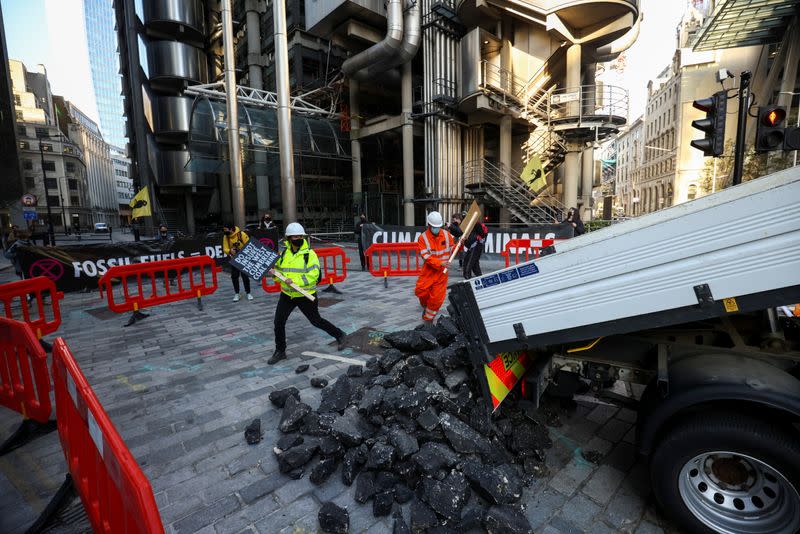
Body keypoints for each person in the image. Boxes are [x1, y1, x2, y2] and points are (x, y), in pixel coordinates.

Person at [268, 222, 346, 364]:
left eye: (300, 236)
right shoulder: (283, 253)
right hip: (287, 295)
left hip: (305, 294)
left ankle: (340, 334)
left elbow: (313, 276)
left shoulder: (310, 254)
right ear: (288, 238)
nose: (297, 238)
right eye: (294, 236)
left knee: (316, 321)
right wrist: (274, 273)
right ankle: (280, 351)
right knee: (278, 322)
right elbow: (279, 272)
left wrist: (295, 280)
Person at [415, 211, 454, 322]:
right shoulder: (423, 238)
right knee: (421, 291)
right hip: (428, 271)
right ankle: (426, 307)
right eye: (434, 227)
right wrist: (439, 263)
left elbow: (453, 249)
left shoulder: (447, 235)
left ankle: (428, 319)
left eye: (439, 227)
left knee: (436, 299)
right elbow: (425, 256)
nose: (437, 229)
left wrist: (460, 244)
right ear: (429, 225)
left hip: (442, 273)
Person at [222, 222, 253, 302]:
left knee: (245, 276)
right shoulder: (226, 237)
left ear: (231, 229)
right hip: (234, 259)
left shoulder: (241, 234)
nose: (225, 231)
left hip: (244, 258)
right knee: (234, 276)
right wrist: (230, 251)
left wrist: (241, 251)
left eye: (226, 230)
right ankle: (237, 293)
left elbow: (249, 245)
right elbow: (225, 248)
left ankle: (248, 292)